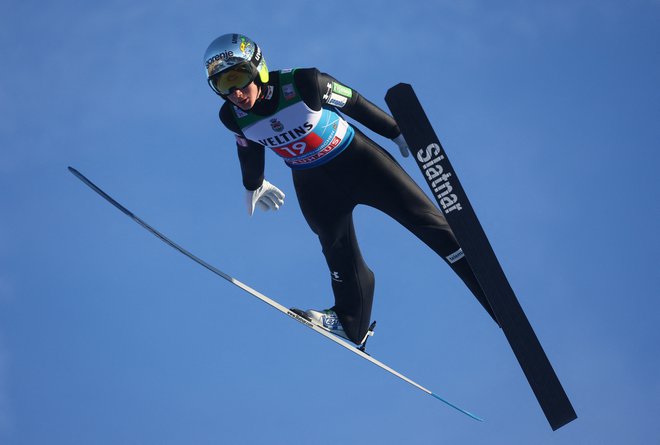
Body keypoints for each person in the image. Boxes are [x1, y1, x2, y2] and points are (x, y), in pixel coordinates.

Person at [204, 33, 497, 345]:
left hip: (360, 162)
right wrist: (253, 183)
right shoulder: (231, 117)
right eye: (223, 85)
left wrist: (396, 130)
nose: (234, 92)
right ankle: (349, 322)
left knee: (427, 223)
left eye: (237, 77)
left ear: (257, 68)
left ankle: (490, 290)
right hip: (313, 183)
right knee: (337, 250)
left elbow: (354, 102)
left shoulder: (305, 83)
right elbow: (249, 147)